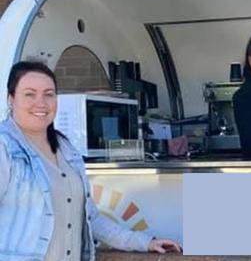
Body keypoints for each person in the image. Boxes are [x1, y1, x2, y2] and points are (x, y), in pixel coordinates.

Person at [0, 61, 181, 260]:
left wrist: (144, 242)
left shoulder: (65, 148)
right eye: (29, 94)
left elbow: (91, 219)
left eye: (49, 94)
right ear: (11, 99)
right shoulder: (5, 147)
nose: (41, 102)